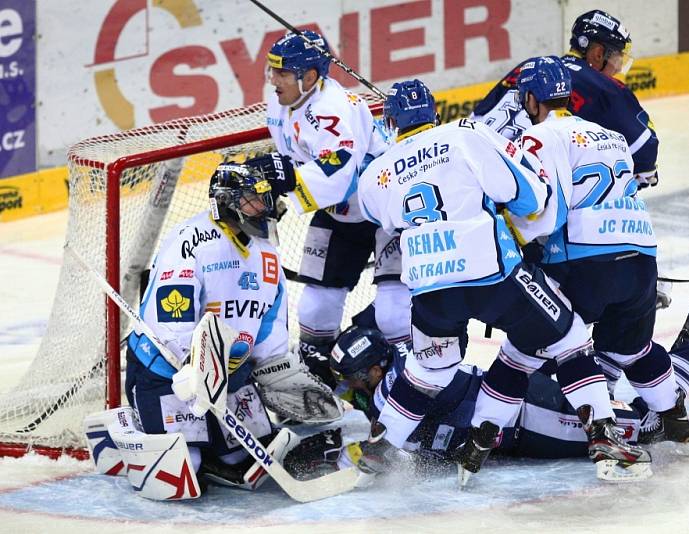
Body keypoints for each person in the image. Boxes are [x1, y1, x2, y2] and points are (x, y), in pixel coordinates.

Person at [356, 79, 650, 483]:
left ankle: (381, 447)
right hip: (492, 277)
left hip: (429, 289)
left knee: (430, 371)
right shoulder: (464, 135)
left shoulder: (376, 173)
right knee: (570, 338)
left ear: (390, 122)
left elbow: (381, 219)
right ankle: (603, 437)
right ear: (434, 114)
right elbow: (527, 193)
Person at [507, 56, 689, 449]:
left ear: (531, 99)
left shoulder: (541, 137)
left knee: (573, 356)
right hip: (639, 257)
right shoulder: (610, 136)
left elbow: (548, 213)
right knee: (624, 351)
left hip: (586, 262)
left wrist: (513, 236)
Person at [119, 161, 342, 496]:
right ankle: (136, 424)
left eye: (264, 198)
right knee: (184, 471)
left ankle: (212, 442)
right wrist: (195, 369)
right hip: (167, 373)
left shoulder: (267, 251)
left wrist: (273, 368)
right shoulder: (190, 241)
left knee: (246, 458)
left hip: (230, 375)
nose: (263, 208)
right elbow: (169, 320)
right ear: (225, 201)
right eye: (252, 199)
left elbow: (269, 318)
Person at [330, 313, 689, 471]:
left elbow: (398, 443)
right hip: (521, 400)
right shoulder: (406, 364)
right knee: (590, 377)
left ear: (371, 367)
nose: (350, 389)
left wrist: (356, 453)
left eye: (351, 379)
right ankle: (622, 317)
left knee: (649, 426)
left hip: (528, 418)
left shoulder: (392, 389)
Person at [255, 30, 410, 386]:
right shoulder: (280, 103)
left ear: (309, 77)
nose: (273, 80)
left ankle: (401, 387)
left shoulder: (334, 111)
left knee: (393, 311)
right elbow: (293, 153)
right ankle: (321, 386)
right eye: (272, 70)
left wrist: (283, 188)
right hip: (338, 213)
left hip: (383, 212)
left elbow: (337, 177)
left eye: (281, 72)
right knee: (314, 307)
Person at [472, 9, 659, 190]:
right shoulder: (607, 88)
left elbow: (475, 118)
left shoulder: (528, 67)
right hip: (522, 188)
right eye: (618, 59)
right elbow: (645, 151)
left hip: (472, 170)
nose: (618, 68)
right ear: (598, 53)